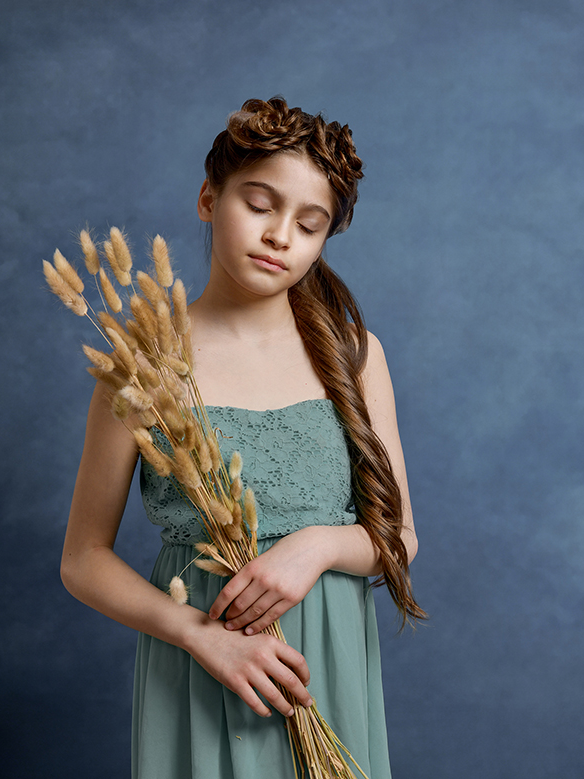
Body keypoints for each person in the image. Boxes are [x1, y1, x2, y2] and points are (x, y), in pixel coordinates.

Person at [60, 97, 423, 779]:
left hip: (325, 667)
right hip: (205, 664)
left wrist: (314, 547)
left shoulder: (354, 353)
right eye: (260, 204)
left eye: (309, 225)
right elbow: (82, 558)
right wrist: (201, 637)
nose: (281, 235)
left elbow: (399, 537)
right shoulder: (144, 365)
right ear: (208, 197)